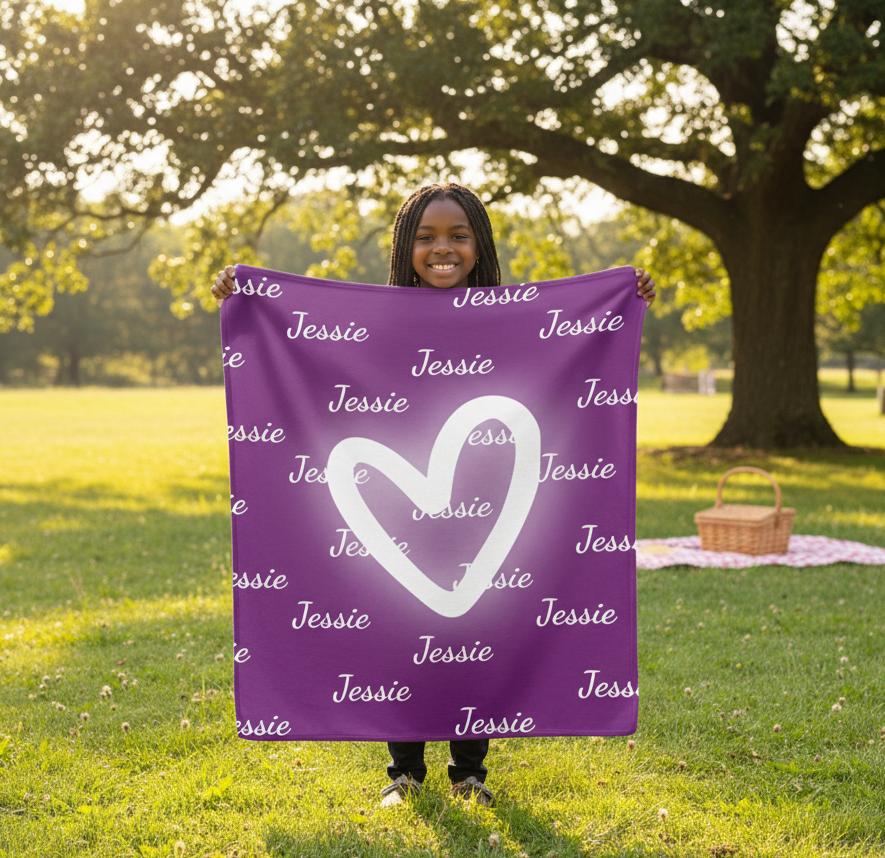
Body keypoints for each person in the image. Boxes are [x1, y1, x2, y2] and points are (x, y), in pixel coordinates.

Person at [211, 182, 656, 808]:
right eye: (425, 237)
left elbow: (564, 353)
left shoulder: (512, 317)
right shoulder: (377, 318)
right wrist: (246, 293)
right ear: (404, 246)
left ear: (480, 244)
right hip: (396, 504)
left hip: (485, 494)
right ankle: (404, 773)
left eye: (456, 235)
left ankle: (470, 772)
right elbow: (309, 334)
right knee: (402, 630)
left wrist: (623, 299)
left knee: (480, 628)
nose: (441, 248)